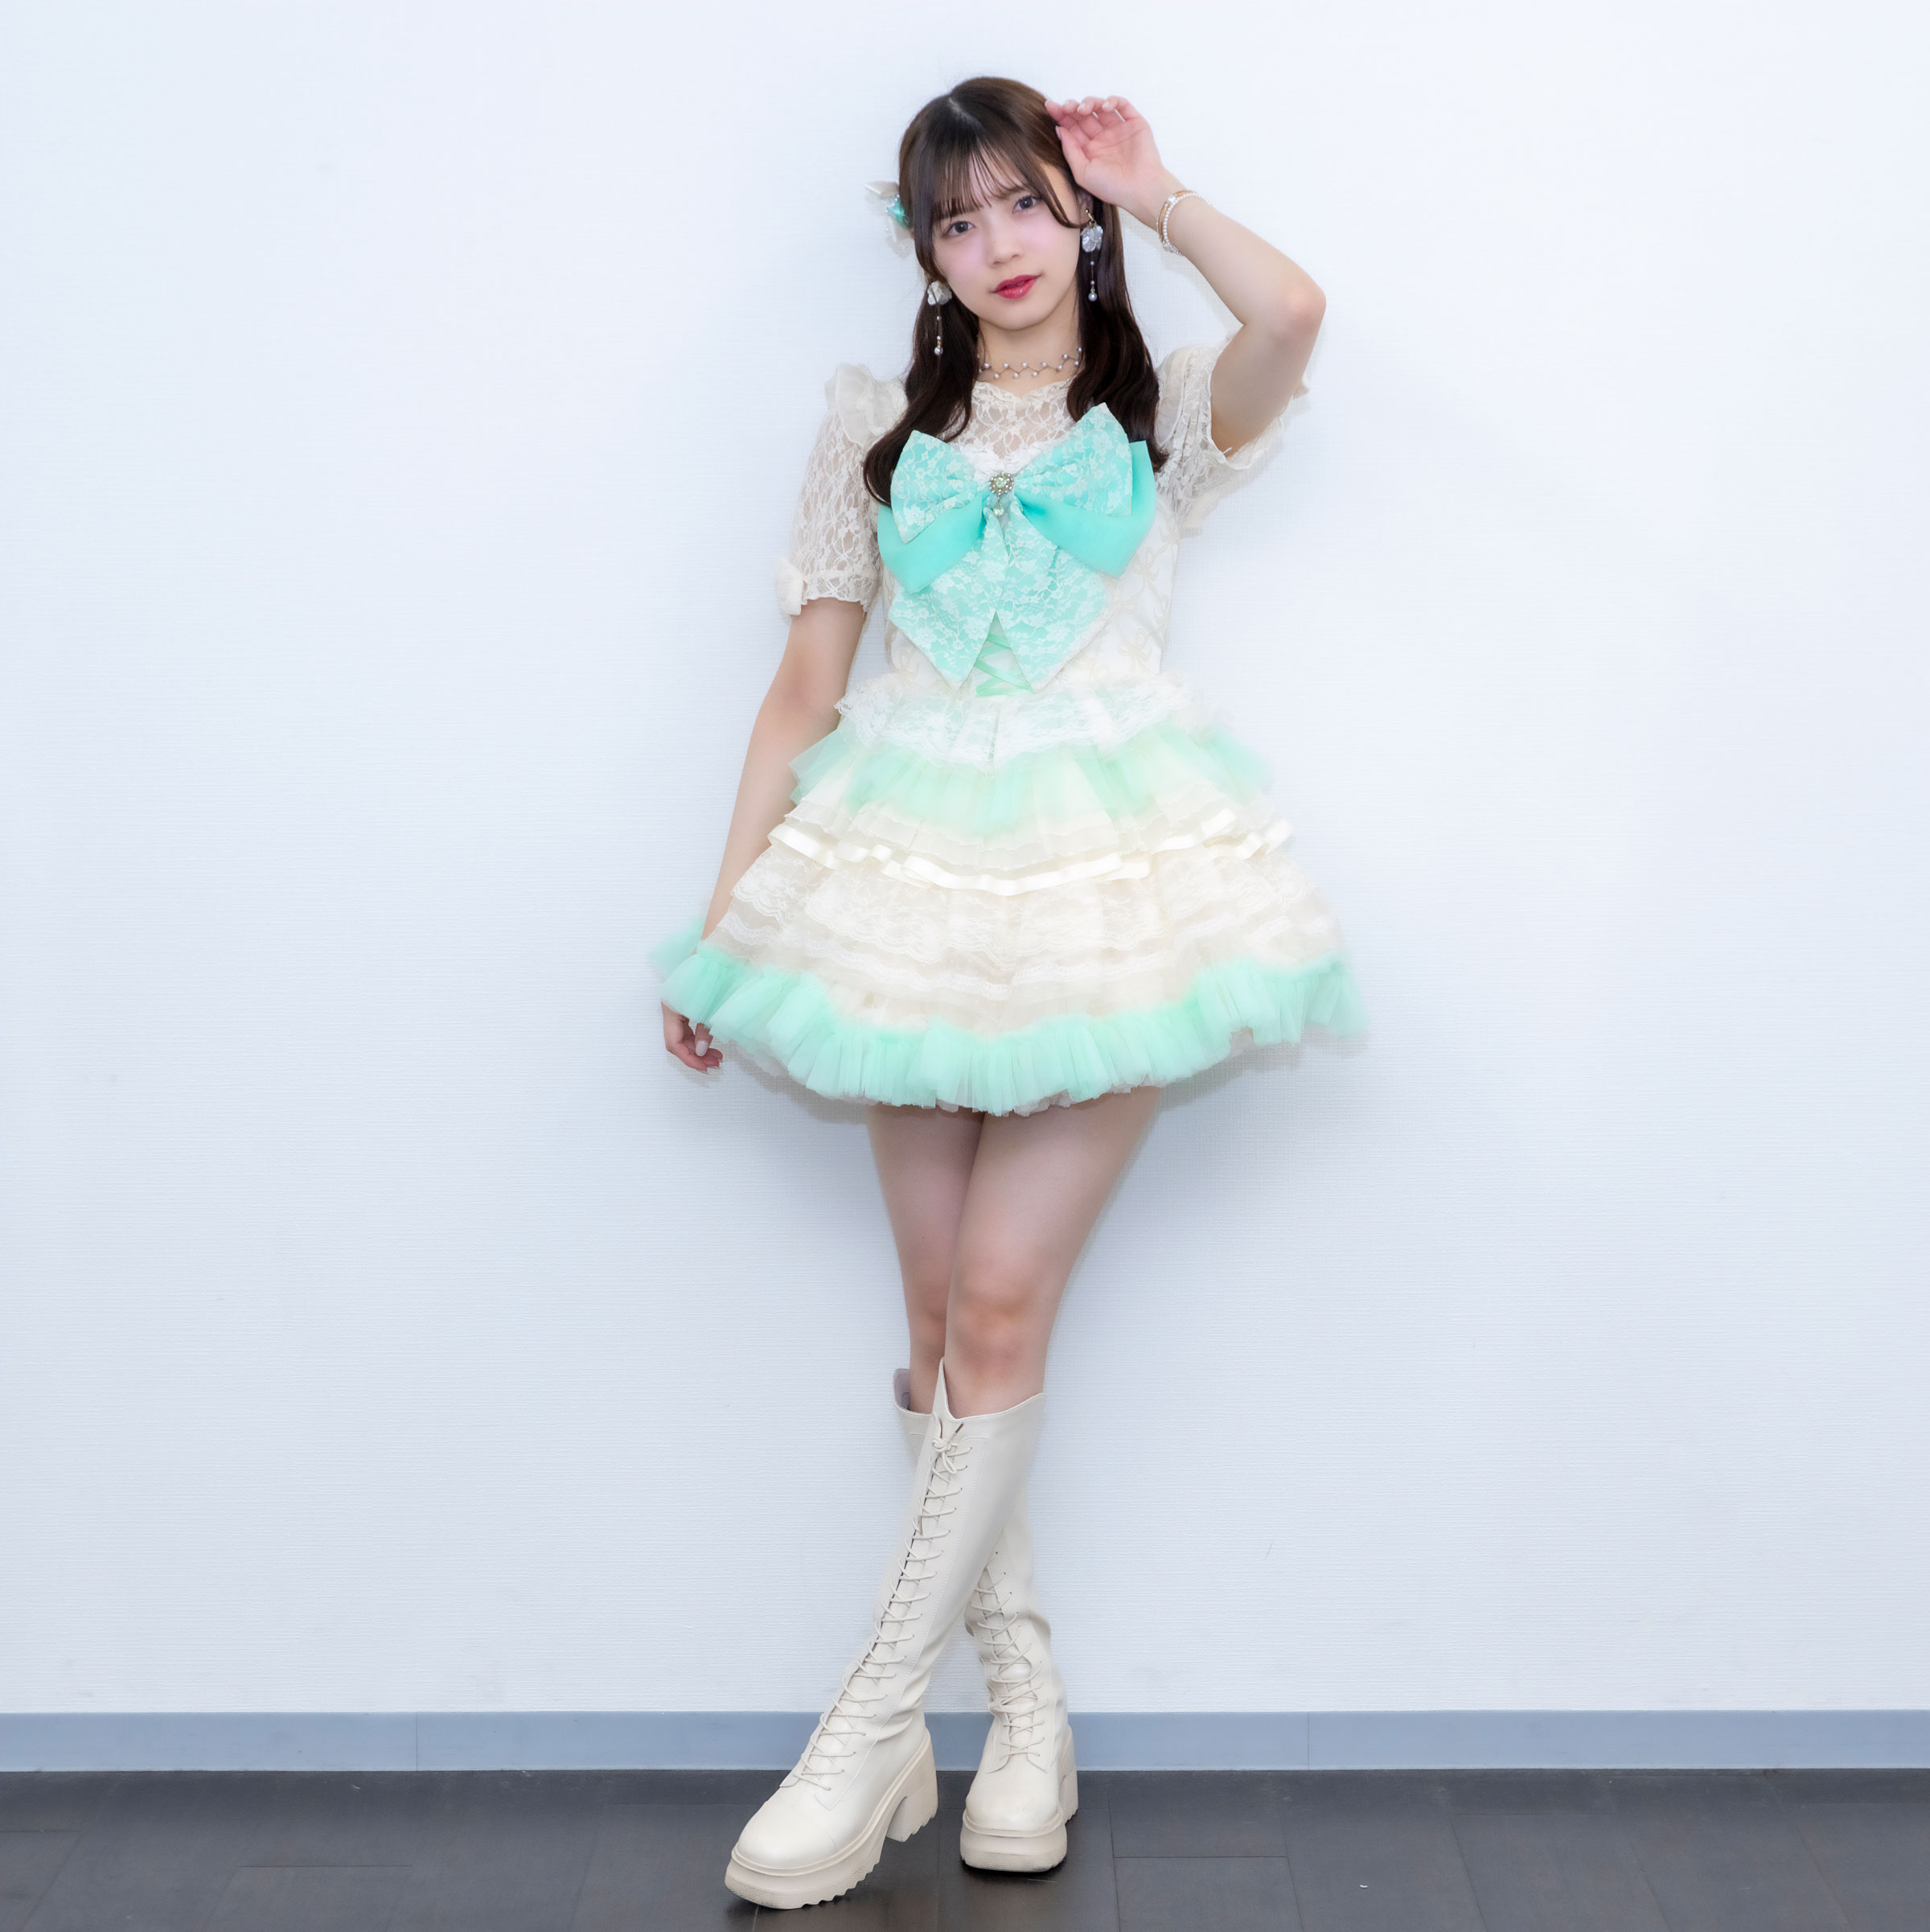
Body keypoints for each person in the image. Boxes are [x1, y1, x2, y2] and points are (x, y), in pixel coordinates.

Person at [652, 76, 1365, 1912]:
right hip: (900, 893)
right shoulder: (873, 425)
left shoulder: (1159, 412)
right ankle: (1023, 1713)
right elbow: (805, 690)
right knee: (934, 1319)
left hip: (1104, 895)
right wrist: (729, 922)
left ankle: (866, 1722)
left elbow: (1293, 314)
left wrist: (1161, 186)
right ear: (924, 251)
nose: (999, 245)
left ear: (1081, 213)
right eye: (957, 220)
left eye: (1030, 204)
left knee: (995, 1296)